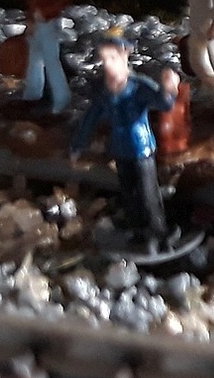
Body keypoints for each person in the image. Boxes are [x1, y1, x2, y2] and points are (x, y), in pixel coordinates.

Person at [69, 29, 180, 247]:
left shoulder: (139, 86)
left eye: (112, 58)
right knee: (129, 193)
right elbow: (90, 117)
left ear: (124, 56)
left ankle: (158, 232)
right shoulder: (104, 90)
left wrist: (169, 90)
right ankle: (137, 230)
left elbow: (163, 104)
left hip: (141, 148)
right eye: (104, 59)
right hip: (120, 149)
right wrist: (78, 145)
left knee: (148, 194)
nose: (108, 65)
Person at [10, 0, 71, 114]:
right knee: (35, 59)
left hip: (47, 23)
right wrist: (31, 20)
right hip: (39, 23)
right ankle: (32, 95)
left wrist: (44, 13)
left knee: (51, 61)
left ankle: (62, 100)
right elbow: (33, 2)